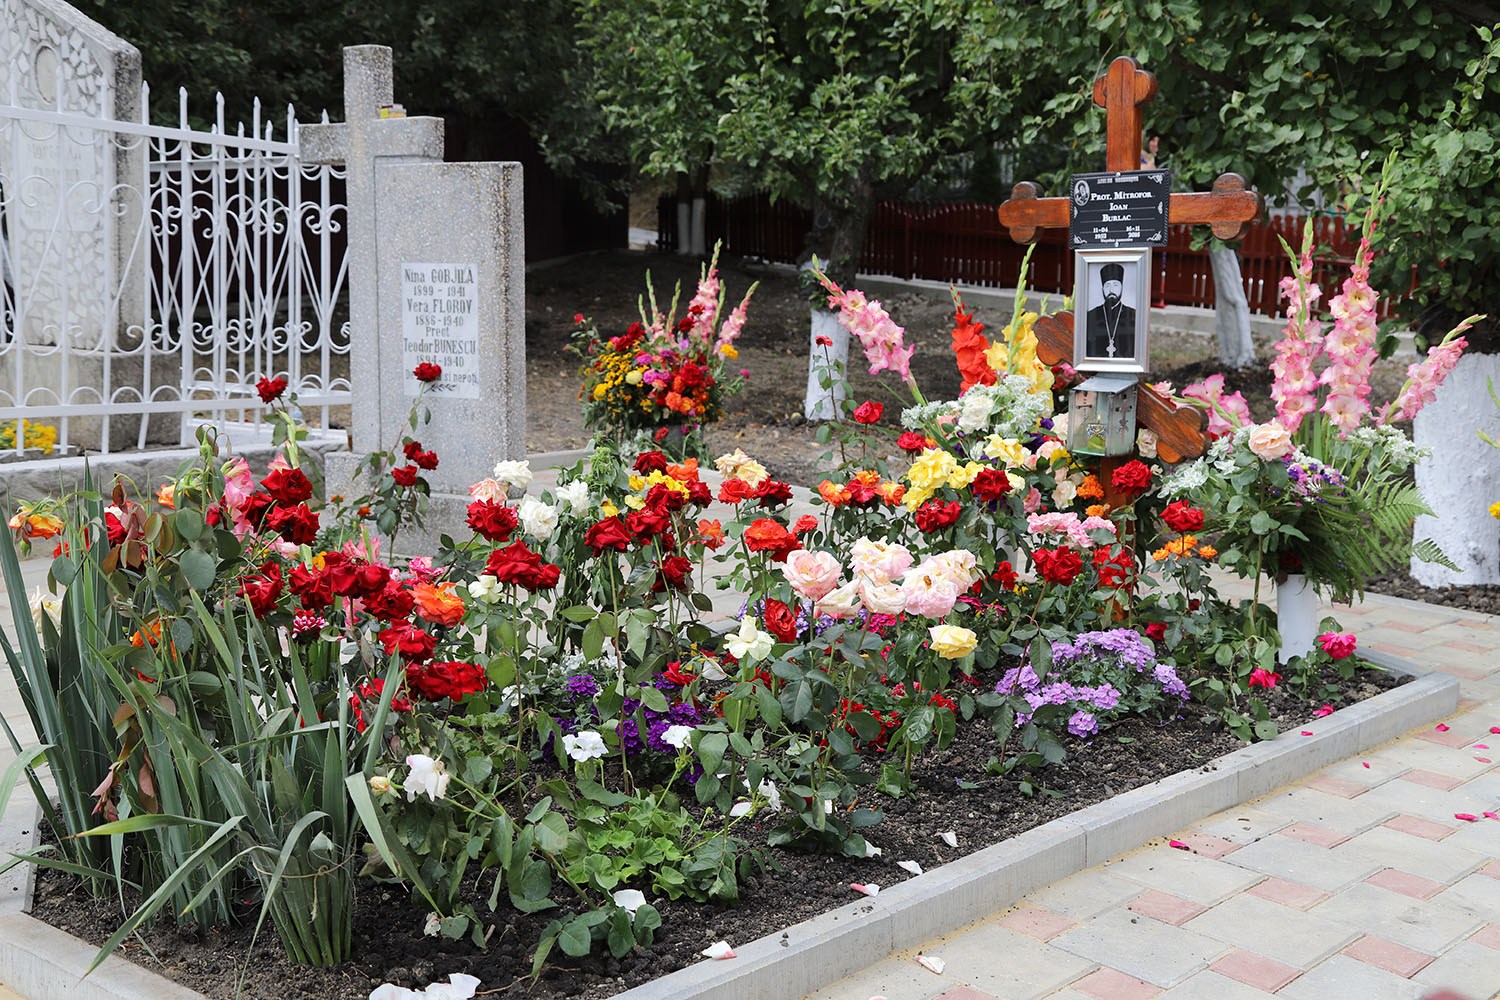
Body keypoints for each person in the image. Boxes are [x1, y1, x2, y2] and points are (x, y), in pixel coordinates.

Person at [1085, 262, 1135, 359]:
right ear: (1102, 289)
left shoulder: (1133, 314)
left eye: (1115, 285)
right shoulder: (1090, 315)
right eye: (1107, 286)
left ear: (1122, 287)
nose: (1111, 290)